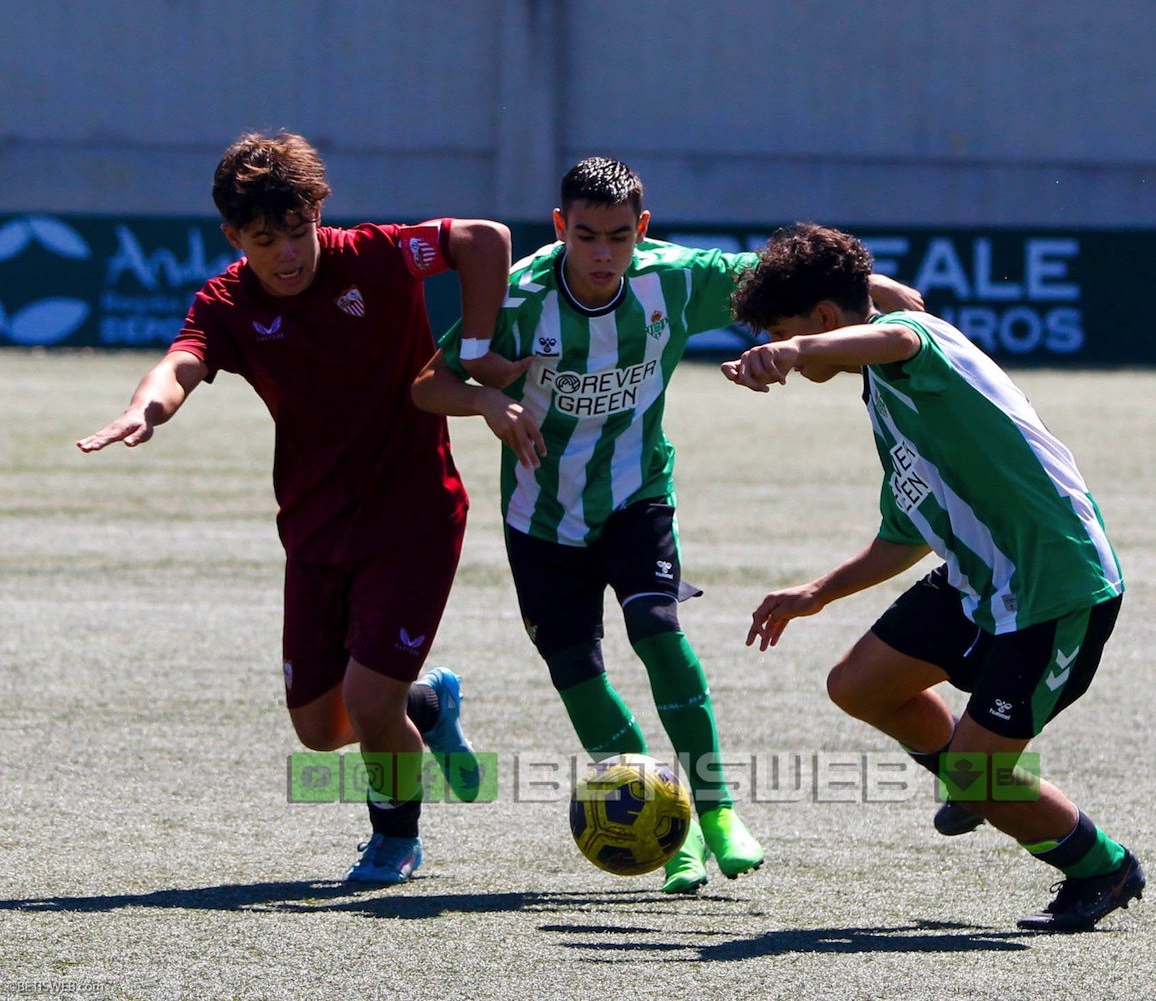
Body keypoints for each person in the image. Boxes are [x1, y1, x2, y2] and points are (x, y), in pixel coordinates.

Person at [412, 158, 923, 893]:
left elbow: (786, 275)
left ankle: (716, 812)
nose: (601, 255)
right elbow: (429, 384)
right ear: (560, 228)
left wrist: (874, 291)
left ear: (640, 232)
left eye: (618, 237)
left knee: (657, 626)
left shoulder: (675, 278)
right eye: (584, 236)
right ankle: (671, 829)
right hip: (540, 514)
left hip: (636, 492)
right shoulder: (521, 295)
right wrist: (489, 404)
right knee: (576, 670)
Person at [77, 131, 512, 885]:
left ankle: (394, 838)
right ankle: (430, 706)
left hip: (413, 518)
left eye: (297, 231)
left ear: (320, 212)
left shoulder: (377, 254)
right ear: (233, 237)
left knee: (369, 706)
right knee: (320, 729)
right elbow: (183, 360)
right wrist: (149, 408)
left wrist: (475, 349)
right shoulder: (229, 301)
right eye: (263, 239)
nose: (286, 254)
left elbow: (484, 238)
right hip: (313, 528)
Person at [721, 222, 1145, 932]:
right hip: (978, 578)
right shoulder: (887, 398)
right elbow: (903, 533)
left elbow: (898, 329)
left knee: (980, 775)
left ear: (824, 321)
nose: (771, 342)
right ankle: (970, 779)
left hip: (1056, 586)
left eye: (779, 328)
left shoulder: (917, 347)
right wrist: (815, 594)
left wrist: (795, 350)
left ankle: (1101, 867)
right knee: (857, 685)